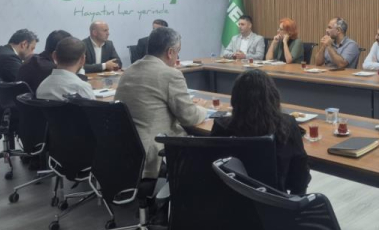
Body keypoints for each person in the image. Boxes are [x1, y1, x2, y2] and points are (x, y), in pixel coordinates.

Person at [115, 27, 207, 178]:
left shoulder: (129, 70)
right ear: (170, 52)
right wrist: (201, 108)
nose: (177, 57)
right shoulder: (170, 74)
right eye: (178, 52)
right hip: (154, 149)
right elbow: (190, 117)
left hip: (126, 148)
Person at [211, 69, 310, 194]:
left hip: (231, 198)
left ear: (235, 98)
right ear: (273, 97)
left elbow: (213, 170)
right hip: (273, 200)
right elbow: (300, 178)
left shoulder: (221, 126)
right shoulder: (287, 125)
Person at [0, 29, 39, 93]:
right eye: (32, 48)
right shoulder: (10, 58)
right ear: (24, 44)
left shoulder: (3, 51)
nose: (32, 53)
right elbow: (25, 85)